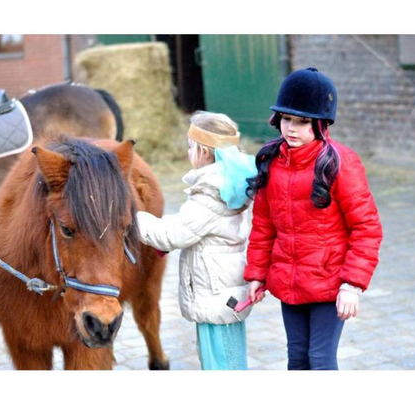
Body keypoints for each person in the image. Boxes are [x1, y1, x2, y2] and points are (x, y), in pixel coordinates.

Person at [244, 67, 383, 370]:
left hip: (330, 281)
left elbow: (367, 227)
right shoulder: (271, 161)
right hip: (289, 280)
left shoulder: (340, 163)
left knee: (320, 360)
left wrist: (351, 285)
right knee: (297, 357)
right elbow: (263, 226)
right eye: (286, 119)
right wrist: (256, 272)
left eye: (303, 122)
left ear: (320, 124)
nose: (291, 128)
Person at [136, 111, 258, 370]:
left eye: (191, 146)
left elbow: (176, 234)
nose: (188, 151)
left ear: (203, 152)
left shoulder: (211, 193)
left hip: (214, 292)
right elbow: (187, 224)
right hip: (225, 288)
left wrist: (134, 219)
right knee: (231, 357)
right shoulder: (230, 184)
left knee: (218, 362)